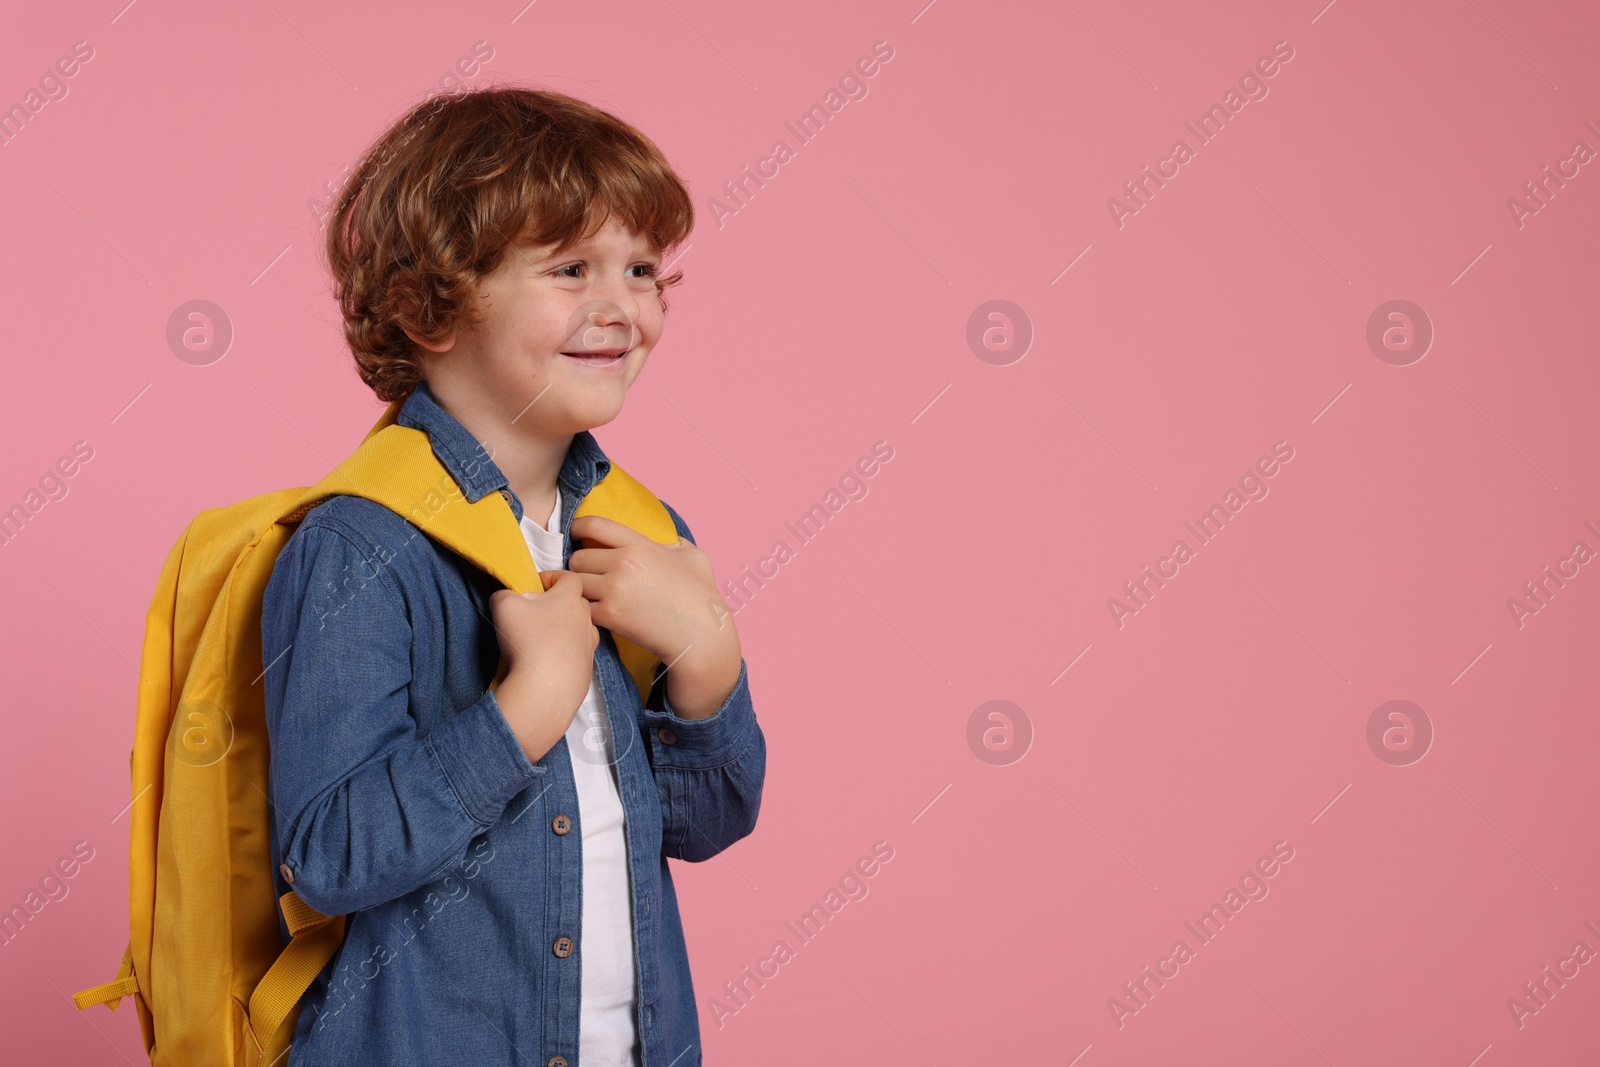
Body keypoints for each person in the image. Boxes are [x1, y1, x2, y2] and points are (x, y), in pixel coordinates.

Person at [260, 85, 766, 1067]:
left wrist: (708, 655)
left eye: (641, 269)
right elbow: (329, 855)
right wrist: (525, 704)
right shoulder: (363, 544)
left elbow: (704, 824)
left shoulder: (637, 534)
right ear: (430, 305)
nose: (623, 307)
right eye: (571, 268)